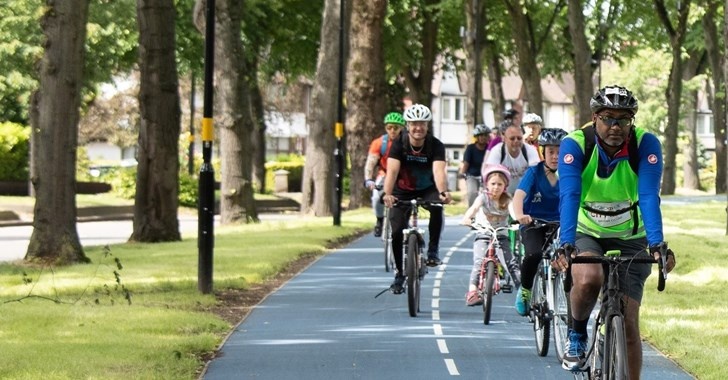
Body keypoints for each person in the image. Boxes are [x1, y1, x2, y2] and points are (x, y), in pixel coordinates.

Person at [552, 85, 676, 378]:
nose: (615, 126)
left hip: (632, 236)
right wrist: (566, 242)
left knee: (629, 322)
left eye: (624, 119)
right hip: (586, 231)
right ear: (594, 118)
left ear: (632, 121)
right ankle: (578, 332)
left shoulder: (646, 144)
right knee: (589, 278)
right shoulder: (576, 144)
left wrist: (658, 244)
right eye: (608, 117)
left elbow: (648, 196)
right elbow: (569, 195)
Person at [382, 103, 453, 294]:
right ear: (407, 125)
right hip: (402, 190)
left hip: (427, 188)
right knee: (396, 231)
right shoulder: (399, 144)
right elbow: (392, 171)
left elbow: (438, 171)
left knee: (437, 207)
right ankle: (399, 273)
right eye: (414, 124)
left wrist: (443, 192)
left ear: (427, 125)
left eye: (422, 123)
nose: (418, 128)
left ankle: (432, 251)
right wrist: (387, 194)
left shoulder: (435, 145)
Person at [511, 128, 568, 316]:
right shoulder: (534, 172)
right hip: (534, 223)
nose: (555, 156)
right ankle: (526, 290)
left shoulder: (569, 174)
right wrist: (520, 215)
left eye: (560, 152)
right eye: (551, 151)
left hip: (561, 224)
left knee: (571, 257)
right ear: (542, 152)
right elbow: (519, 196)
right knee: (534, 254)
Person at [460, 164, 521, 306]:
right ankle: (473, 291)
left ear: (505, 185)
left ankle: (522, 293)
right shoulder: (483, 198)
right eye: (493, 183)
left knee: (511, 263)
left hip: (500, 236)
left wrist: (518, 220)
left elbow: (513, 213)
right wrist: (467, 218)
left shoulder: (507, 199)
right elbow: (474, 209)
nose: (496, 187)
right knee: (479, 261)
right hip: (484, 234)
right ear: (487, 184)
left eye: (500, 184)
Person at [364, 112, 406, 237]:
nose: (392, 131)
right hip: (384, 174)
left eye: (395, 127)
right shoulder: (379, 143)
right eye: (389, 127)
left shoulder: (407, 142)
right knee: (377, 197)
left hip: (403, 175)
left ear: (402, 128)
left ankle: (405, 221)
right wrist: (368, 179)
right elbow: (370, 163)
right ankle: (380, 220)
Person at [482, 122, 540, 195]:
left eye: (519, 138)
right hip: (503, 193)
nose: (516, 141)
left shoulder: (530, 150)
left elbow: (536, 172)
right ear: (505, 140)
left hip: (524, 192)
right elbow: (491, 175)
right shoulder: (497, 151)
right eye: (512, 138)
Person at [458, 124, 491, 206]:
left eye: (485, 135)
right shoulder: (471, 148)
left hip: (485, 176)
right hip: (472, 175)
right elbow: (466, 163)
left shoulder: (489, 149)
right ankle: (472, 215)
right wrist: (462, 174)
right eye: (481, 135)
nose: (483, 138)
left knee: (488, 194)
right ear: (477, 137)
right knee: (472, 193)